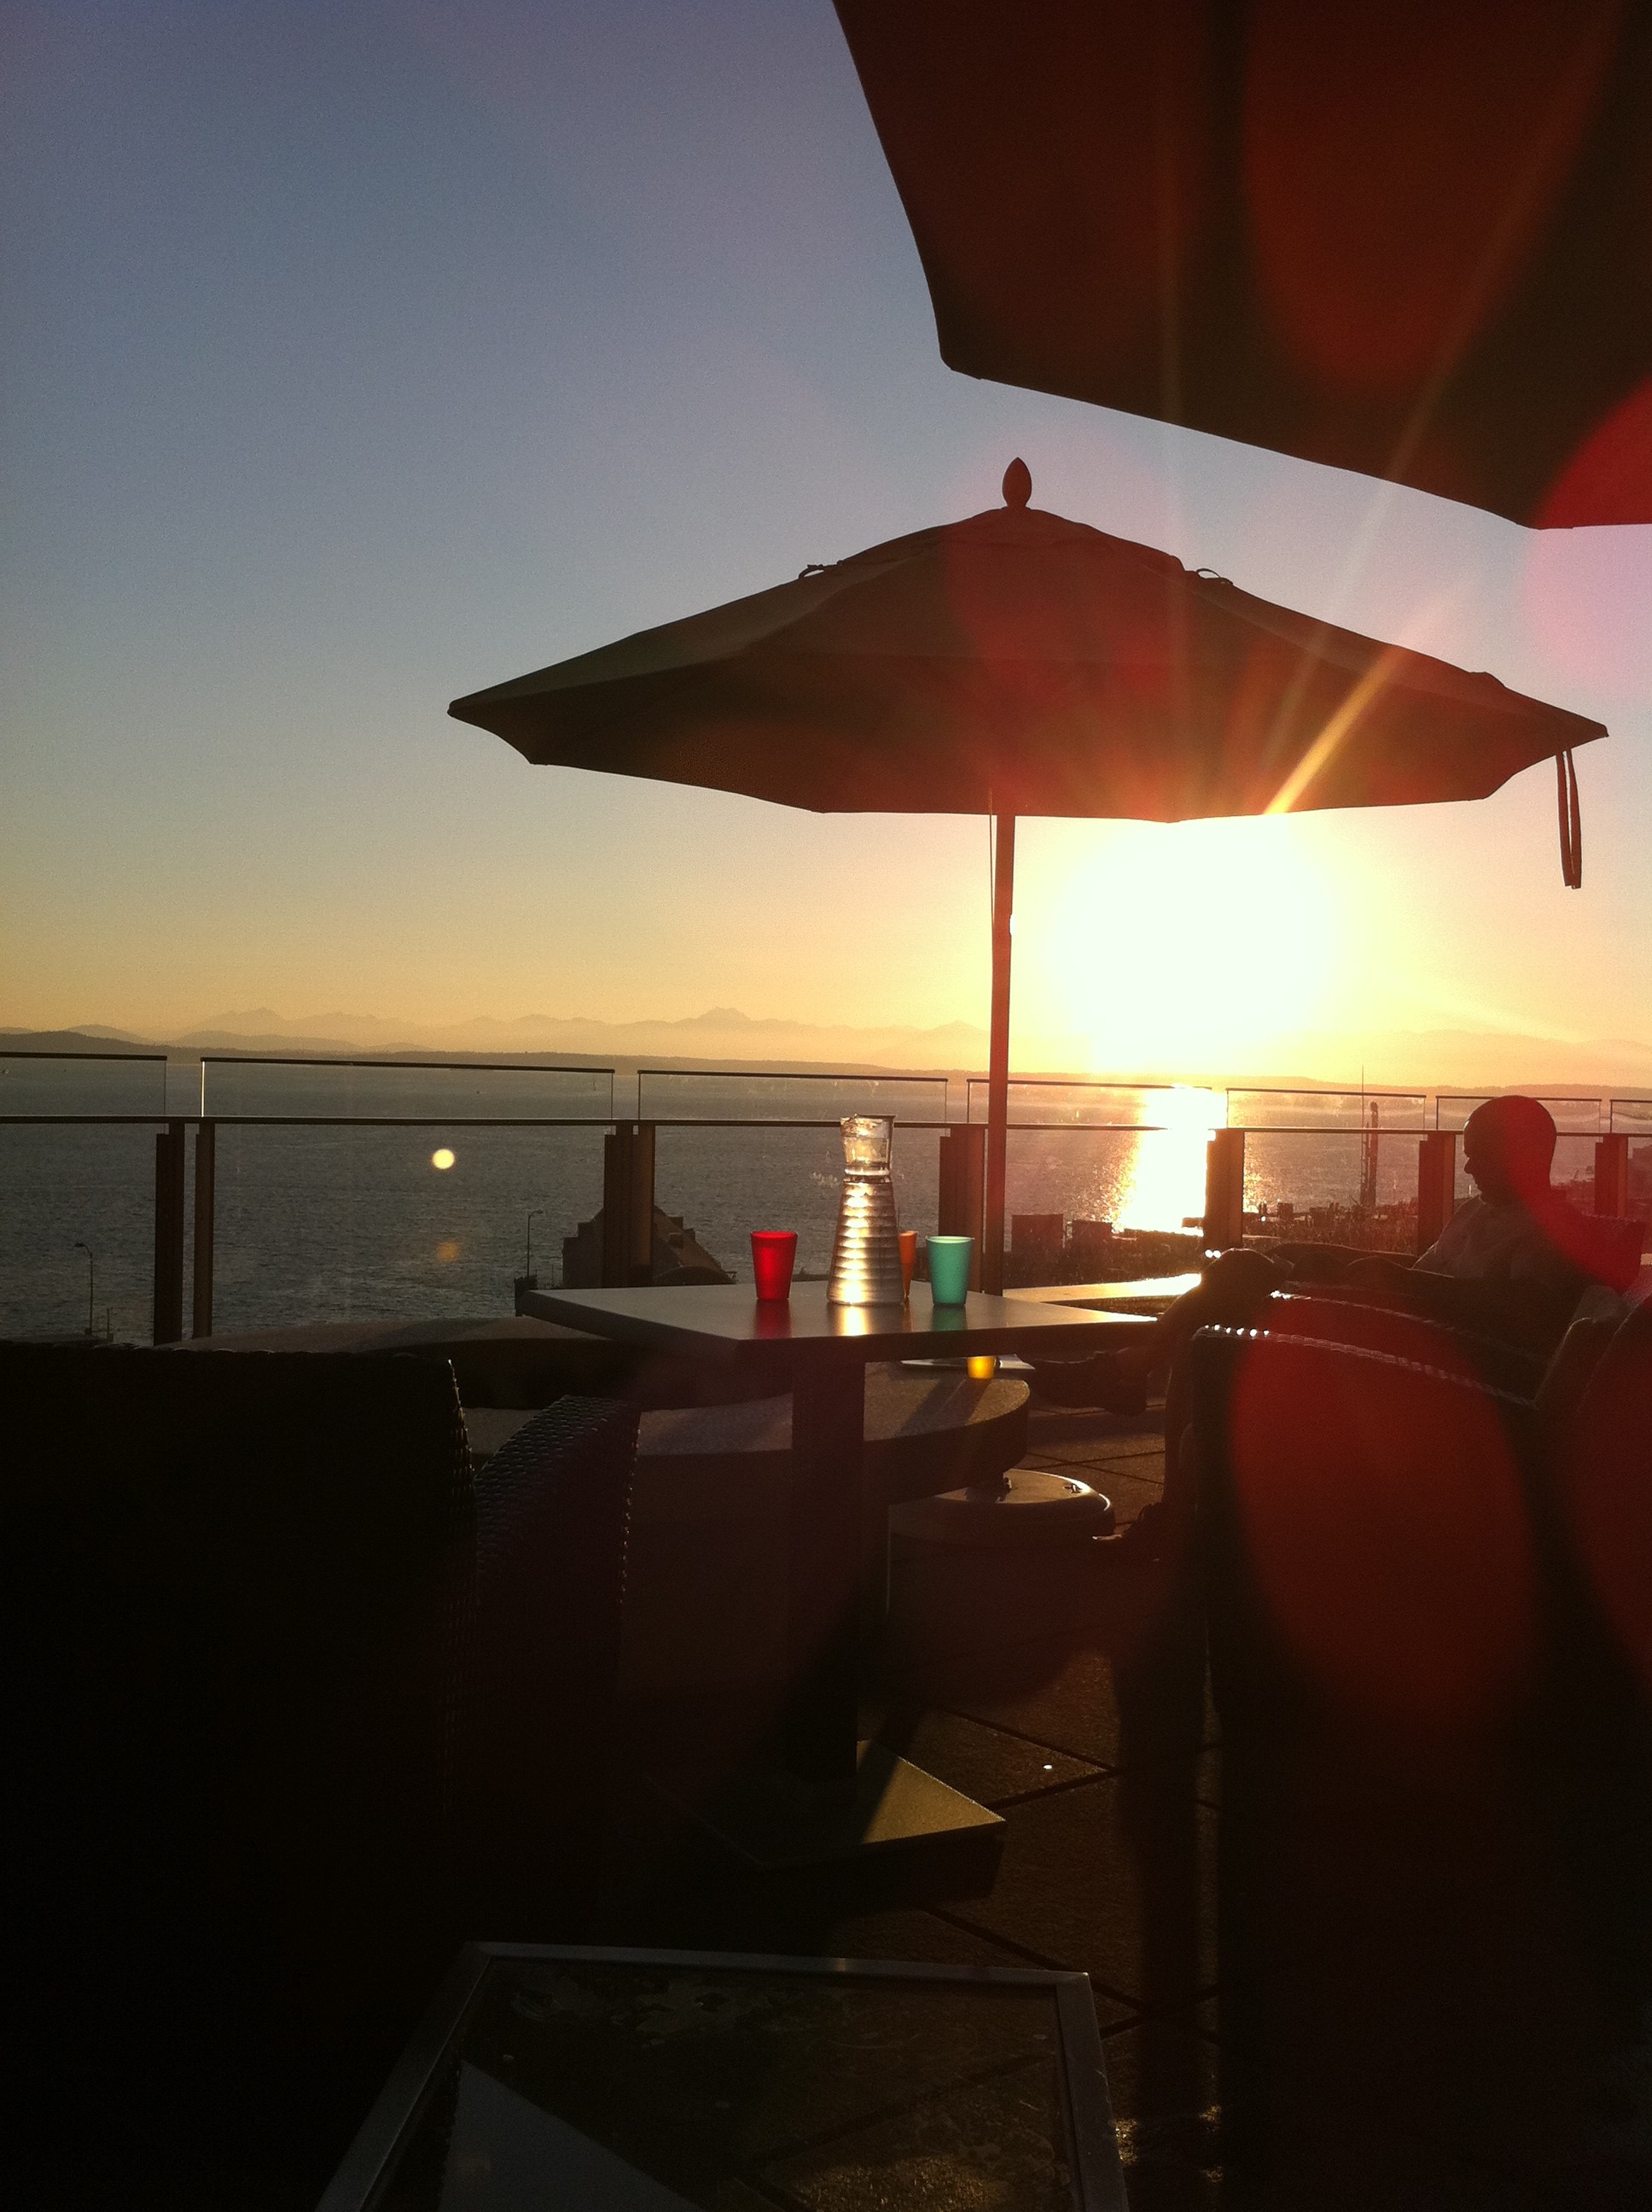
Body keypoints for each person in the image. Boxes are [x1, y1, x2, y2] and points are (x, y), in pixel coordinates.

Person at [1034, 1094, 1597, 1416]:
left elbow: (1516, 1312)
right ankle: (1131, 1381)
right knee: (1254, 1270)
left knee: (1235, 1281)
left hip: (1407, 1351)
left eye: (1478, 1156)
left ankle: (1126, 1374)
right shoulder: (1479, 1211)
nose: (1467, 1167)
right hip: (1389, 1314)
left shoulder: (1553, 1232)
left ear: (1521, 1154)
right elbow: (1424, 1271)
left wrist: (1402, 1284)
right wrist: (1327, 1254)